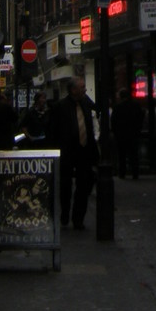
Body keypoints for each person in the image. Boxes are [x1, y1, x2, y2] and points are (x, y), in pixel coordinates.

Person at [50, 76, 97, 230]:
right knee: (65, 185)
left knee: (83, 185)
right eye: (82, 87)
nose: (85, 90)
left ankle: (78, 218)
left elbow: (93, 118)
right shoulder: (60, 107)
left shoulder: (86, 103)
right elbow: (53, 130)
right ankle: (65, 213)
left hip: (84, 150)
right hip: (67, 152)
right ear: (73, 90)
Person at [112, 88, 143, 180]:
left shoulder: (117, 107)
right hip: (133, 134)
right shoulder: (136, 106)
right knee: (133, 155)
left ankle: (122, 173)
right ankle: (135, 173)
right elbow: (140, 119)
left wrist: (116, 132)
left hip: (121, 135)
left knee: (122, 155)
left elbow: (114, 121)